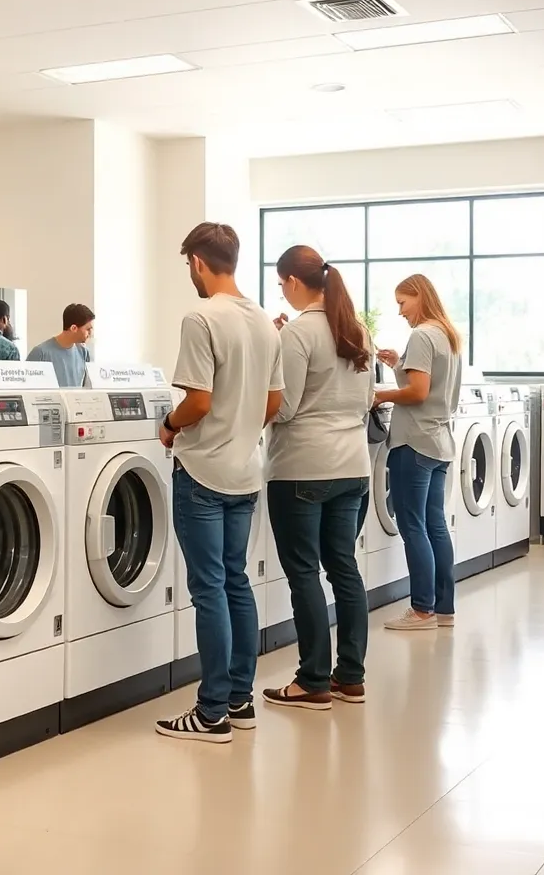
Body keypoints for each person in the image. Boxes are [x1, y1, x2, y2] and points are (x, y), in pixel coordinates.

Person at [155, 222, 283, 744]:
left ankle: (210, 714)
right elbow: (273, 403)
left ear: (199, 263)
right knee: (236, 582)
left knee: (208, 589)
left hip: (203, 471)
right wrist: (240, 429)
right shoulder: (264, 323)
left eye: (189, 264)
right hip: (245, 472)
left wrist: (168, 426)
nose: (191, 273)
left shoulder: (201, 317)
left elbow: (199, 400)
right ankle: (240, 701)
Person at [262, 246, 374, 710]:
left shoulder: (298, 334)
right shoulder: (357, 330)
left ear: (290, 282)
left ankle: (312, 681)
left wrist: (268, 362)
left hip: (304, 469)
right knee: (344, 568)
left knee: (304, 573)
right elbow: (368, 399)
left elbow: (283, 409)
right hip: (353, 466)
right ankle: (349, 676)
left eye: (281, 284)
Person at [374, 274, 462, 630]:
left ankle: (421, 610)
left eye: (402, 302)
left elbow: (418, 392)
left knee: (413, 527)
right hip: (439, 442)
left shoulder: (423, 334)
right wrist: (399, 364)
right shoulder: (448, 335)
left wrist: (379, 395)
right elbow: (430, 385)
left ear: (419, 296)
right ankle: (444, 609)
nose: (399, 312)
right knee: (435, 525)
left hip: (413, 442)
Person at [26, 304, 94, 387]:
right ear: (73, 328)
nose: (91, 333)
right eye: (88, 329)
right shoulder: (40, 353)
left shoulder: (84, 352)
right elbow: (27, 387)